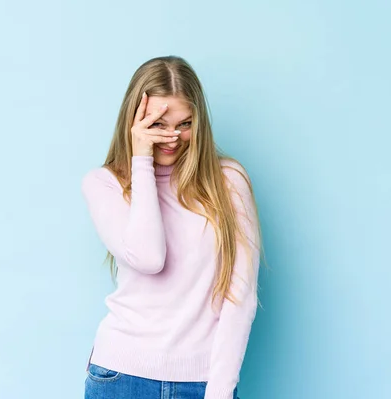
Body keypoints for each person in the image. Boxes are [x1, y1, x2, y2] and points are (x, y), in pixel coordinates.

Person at [81, 55, 262, 399]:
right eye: (159, 123)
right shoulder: (104, 184)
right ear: (135, 122)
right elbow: (149, 258)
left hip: (203, 382)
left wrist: (220, 390)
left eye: (185, 123)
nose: (173, 136)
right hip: (120, 378)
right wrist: (141, 160)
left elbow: (241, 297)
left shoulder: (229, 181)